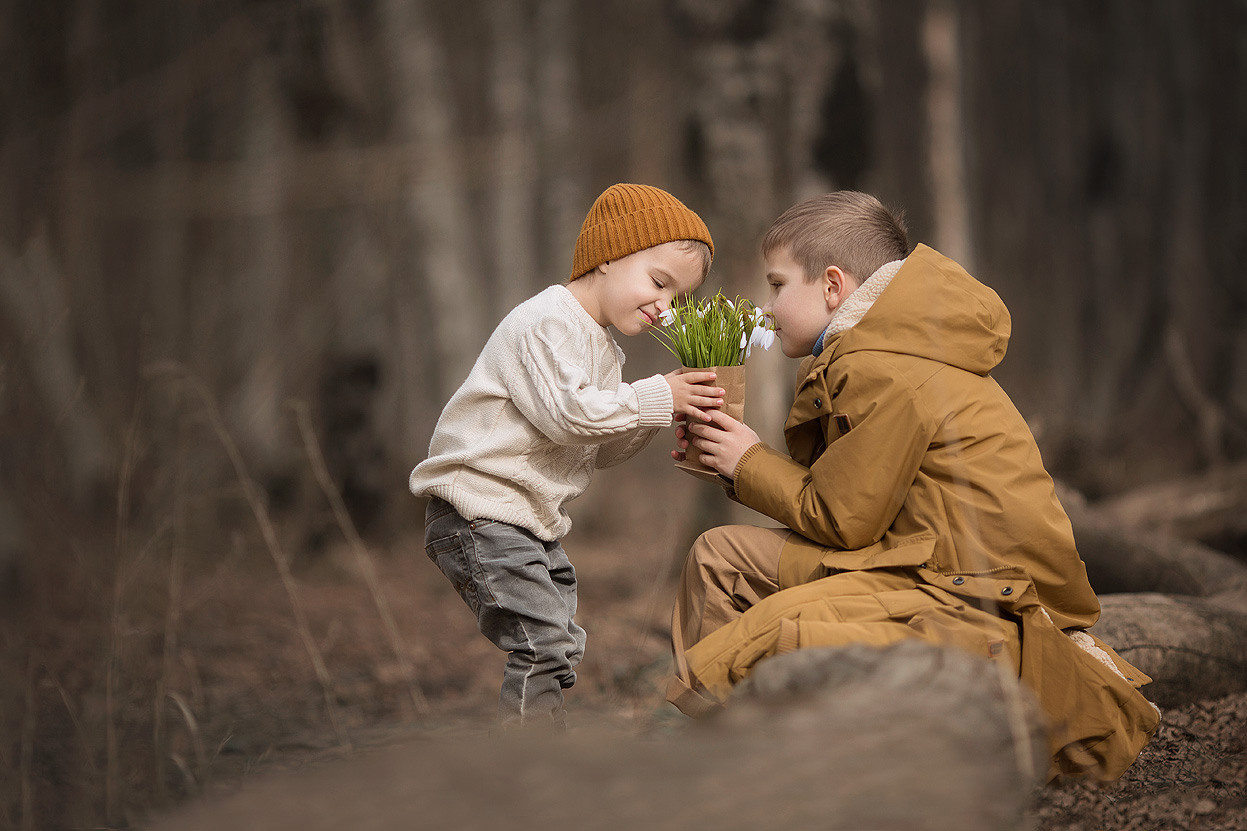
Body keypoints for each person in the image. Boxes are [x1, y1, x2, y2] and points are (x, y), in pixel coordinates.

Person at [667, 191, 1159, 780]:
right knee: (721, 555)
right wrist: (737, 460)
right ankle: (728, 752)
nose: (766, 308)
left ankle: (751, 761)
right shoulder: (876, 347)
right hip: (910, 553)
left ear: (832, 286)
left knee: (772, 628)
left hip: (966, 583)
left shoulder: (884, 365)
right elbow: (850, 501)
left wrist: (747, 459)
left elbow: (844, 519)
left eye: (776, 285)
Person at [410, 183, 724, 728]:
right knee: (543, 645)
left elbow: (593, 446)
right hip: (480, 511)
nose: (664, 306)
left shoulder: (603, 347)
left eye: (677, 297)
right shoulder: (546, 322)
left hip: (524, 522)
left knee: (560, 643)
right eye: (658, 282)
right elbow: (570, 416)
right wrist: (656, 395)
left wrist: (661, 415)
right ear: (607, 257)